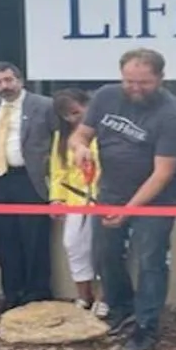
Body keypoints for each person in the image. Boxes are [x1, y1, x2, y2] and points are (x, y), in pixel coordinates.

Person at [69, 48, 176, 350]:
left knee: (151, 261)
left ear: (161, 78)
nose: (135, 88)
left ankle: (146, 326)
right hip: (110, 191)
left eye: (144, 82)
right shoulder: (106, 96)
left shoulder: (173, 114)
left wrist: (129, 209)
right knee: (105, 255)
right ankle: (121, 310)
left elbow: (163, 173)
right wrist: (80, 148)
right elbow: (80, 135)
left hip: (156, 200)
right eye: (129, 81)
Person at [0, 62, 57, 312]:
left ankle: (37, 294)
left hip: (30, 180)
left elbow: (58, 142)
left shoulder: (44, 105)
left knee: (34, 240)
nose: (4, 86)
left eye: (8, 80)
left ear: (20, 80)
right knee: (5, 241)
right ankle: (12, 293)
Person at [49, 88, 102, 313]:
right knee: (73, 245)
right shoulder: (61, 137)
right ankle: (84, 295)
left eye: (76, 112)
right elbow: (58, 170)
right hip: (75, 199)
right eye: (66, 115)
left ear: (88, 105)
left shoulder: (104, 131)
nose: (72, 118)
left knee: (101, 249)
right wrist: (56, 199)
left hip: (103, 198)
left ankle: (103, 298)